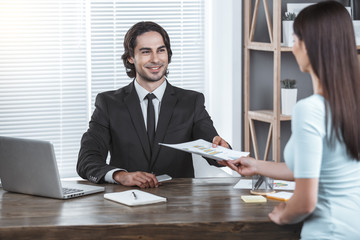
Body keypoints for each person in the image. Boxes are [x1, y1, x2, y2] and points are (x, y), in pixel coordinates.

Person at [226, 2, 360, 239]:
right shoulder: (352, 103)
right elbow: (319, 169)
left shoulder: (309, 109)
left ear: (312, 46)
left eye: (295, 38)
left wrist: (283, 215)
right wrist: (257, 165)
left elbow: (306, 202)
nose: (292, 45)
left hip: (327, 231)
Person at [77, 21, 229, 189]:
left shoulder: (191, 102)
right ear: (130, 57)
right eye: (146, 52)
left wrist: (223, 152)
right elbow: (87, 159)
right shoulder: (108, 103)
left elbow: (213, 147)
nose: (155, 59)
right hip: (125, 199)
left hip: (178, 202)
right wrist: (120, 175)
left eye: (161, 50)